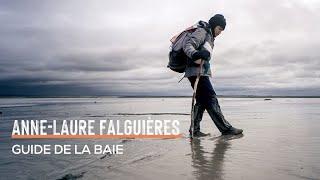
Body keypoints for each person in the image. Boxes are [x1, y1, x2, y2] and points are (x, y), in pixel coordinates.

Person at [183, 14, 243, 137]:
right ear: (215, 25)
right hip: (196, 72)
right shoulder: (203, 31)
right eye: (220, 29)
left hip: (200, 72)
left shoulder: (209, 35)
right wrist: (196, 54)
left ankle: (194, 130)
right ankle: (225, 129)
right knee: (211, 98)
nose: (220, 32)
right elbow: (188, 45)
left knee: (201, 101)